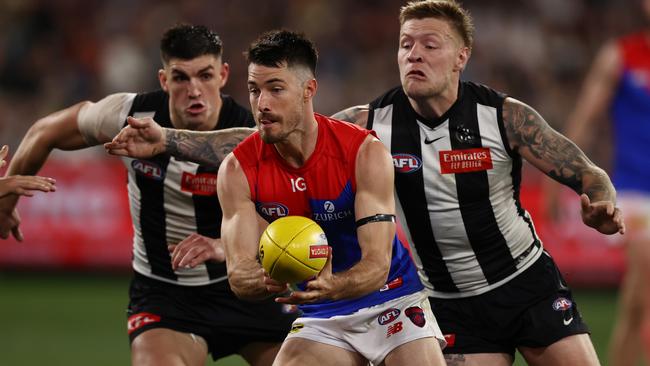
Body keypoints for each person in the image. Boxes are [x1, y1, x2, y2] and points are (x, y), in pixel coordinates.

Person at [109, 29, 447, 366]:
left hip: (392, 299)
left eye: (276, 89)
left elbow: (377, 266)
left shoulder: (363, 152)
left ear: (308, 90)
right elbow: (239, 276)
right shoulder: (237, 169)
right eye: (255, 90)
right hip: (321, 313)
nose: (262, 104)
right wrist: (270, 276)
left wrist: (332, 283)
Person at [329, 1, 625, 365]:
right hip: (451, 304)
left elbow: (588, 173)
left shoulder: (503, 116)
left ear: (461, 57)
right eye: (406, 45)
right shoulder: (367, 126)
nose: (414, 55)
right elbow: (291, 141)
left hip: (527, 284)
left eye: (430, 45)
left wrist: (601, 203)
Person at [0, 24, 297, 366]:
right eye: (181, 78)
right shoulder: (133, 117)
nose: (194, 90)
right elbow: (44, 132)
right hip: (164, 295)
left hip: (245, 285)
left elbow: (289, 214)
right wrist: (7, 203)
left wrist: (223, 245)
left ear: (223, 74)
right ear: (163, 79)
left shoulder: (252, 132)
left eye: (204, 75)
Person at [557, 2, 650, 364]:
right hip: (635, 191)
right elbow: (586, 117)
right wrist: (560, 178)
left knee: (637, 302)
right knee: (643, 289)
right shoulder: (620, 55)